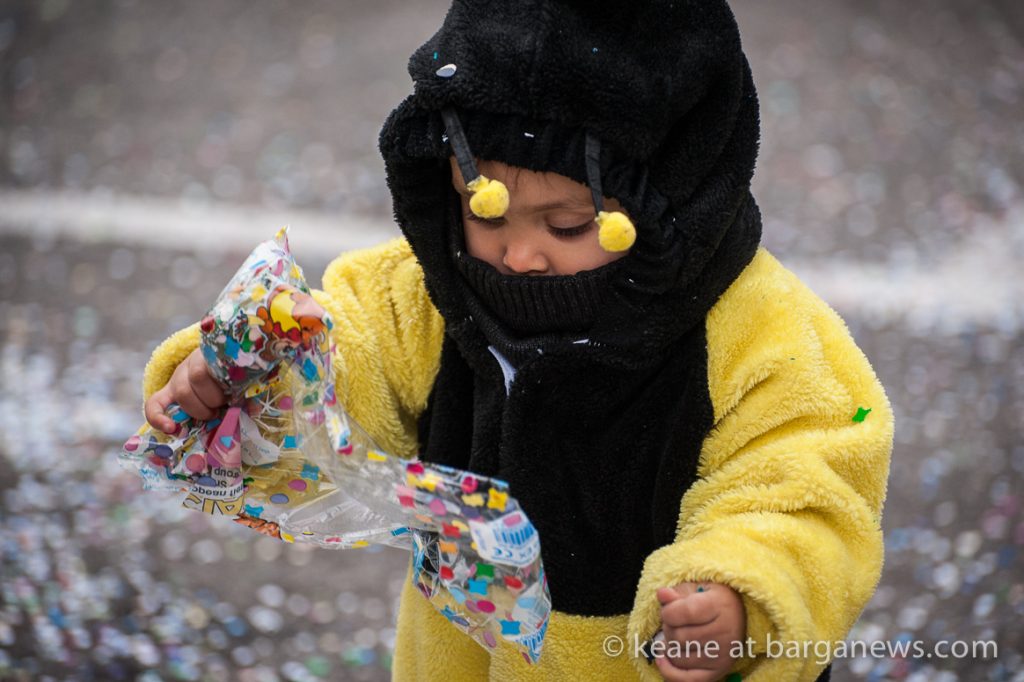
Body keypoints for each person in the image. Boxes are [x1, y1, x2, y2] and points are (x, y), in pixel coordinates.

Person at [141, 1, 893, 680]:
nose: (520, 255)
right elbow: (345, 348)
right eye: (486, 209)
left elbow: (803, 489)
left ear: (675, 198)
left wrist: (740, 592)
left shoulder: (763, 335)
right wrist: (250, 376)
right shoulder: (426, 293)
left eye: (568, 225)